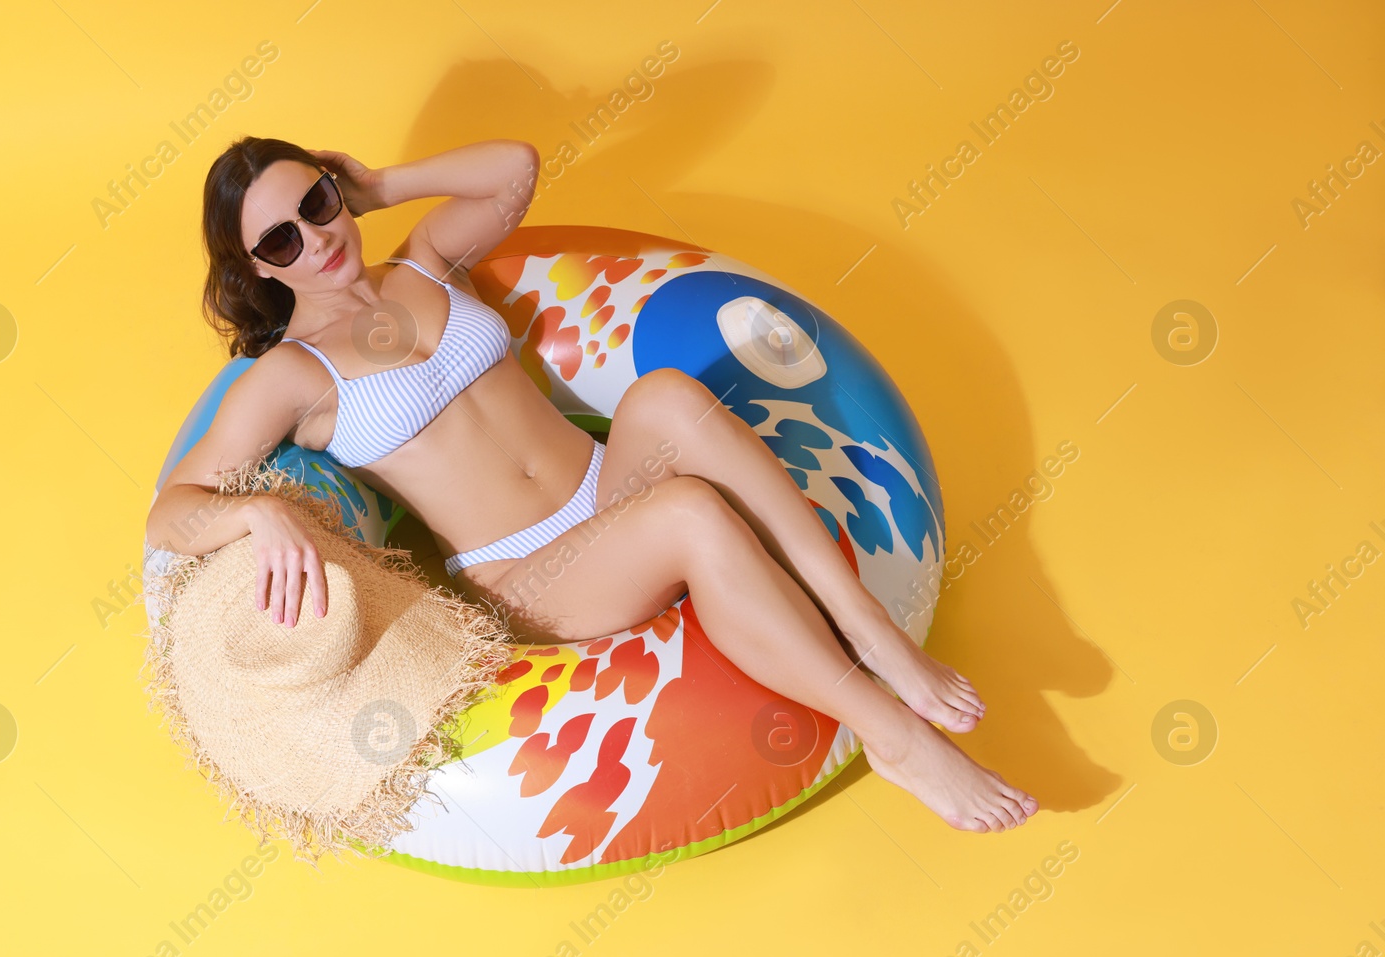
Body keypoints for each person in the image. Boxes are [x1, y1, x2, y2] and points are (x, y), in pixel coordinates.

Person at [144, 135, 1038, 834]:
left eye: (318, 200)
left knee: (665, 396)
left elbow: (514, 170)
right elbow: (170, 512)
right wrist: (259, 512)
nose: (318, 236)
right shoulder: (289, 376)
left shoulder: (419, 264)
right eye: (282, 238)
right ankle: (892, 735)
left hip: (602, 488)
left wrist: (380, 182)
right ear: (257, 267)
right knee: (688, 512)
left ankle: (872, 629)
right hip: (530, 575)